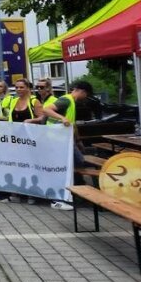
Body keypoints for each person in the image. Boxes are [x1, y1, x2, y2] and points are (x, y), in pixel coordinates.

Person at [41, 80, 94, 211]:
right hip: (57, 141)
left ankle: (77, 192)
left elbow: (72, 123)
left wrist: (78, 140)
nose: (85, 99)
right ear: (82, 91)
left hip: (64, 141)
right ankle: (60, 198)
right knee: (73, 165)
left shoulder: (71, 103)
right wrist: (62, 118)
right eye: (86, 95)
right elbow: (46, 109)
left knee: (77, 163)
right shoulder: (66, 100)